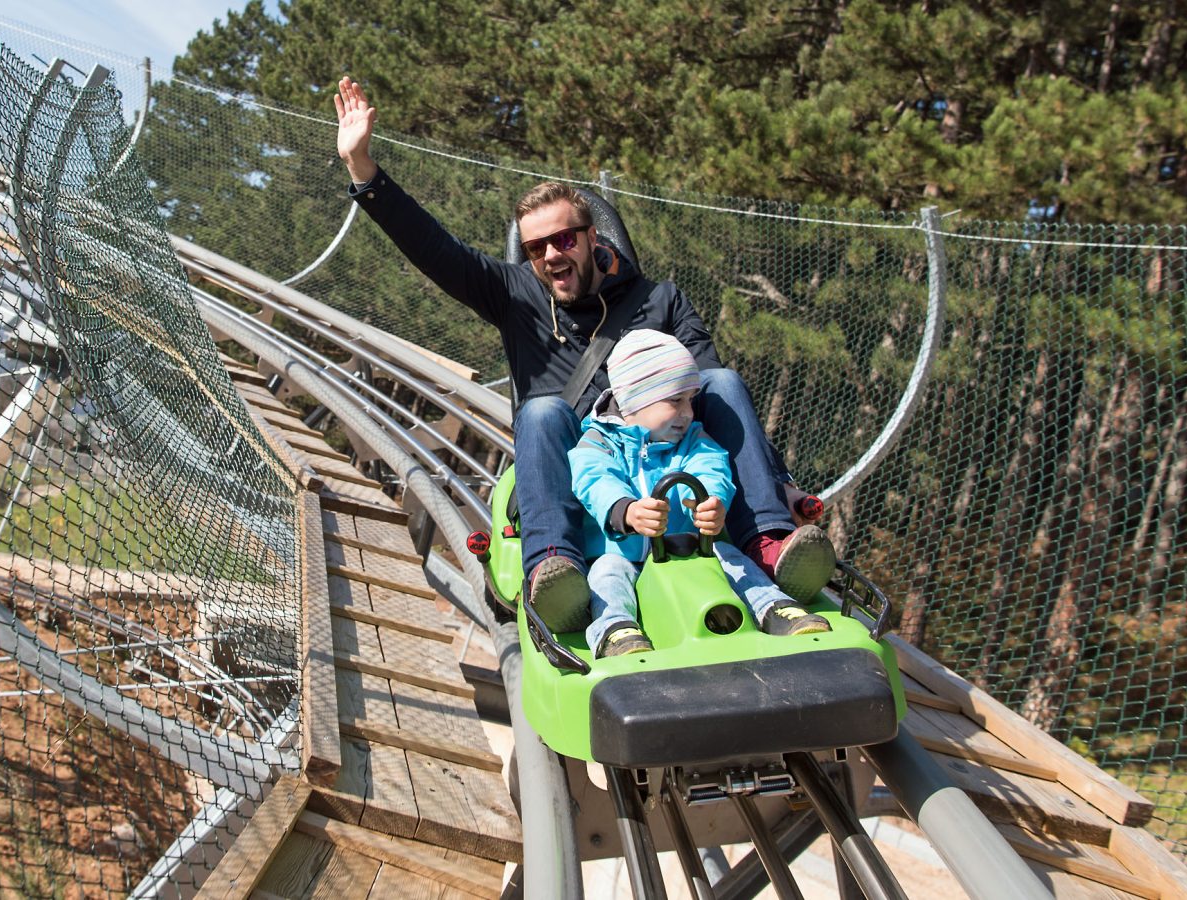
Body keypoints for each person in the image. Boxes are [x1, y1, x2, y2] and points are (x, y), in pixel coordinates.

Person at [334, 77, 834, 632]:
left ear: (593, 238)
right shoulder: (516, 294)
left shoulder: (659, 300)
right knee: (543, 410)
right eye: (536, 247)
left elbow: (712, 400)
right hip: (582, 462)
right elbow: (435, 250)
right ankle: (556, 567)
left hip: (673, 461)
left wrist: (781, 478)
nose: (552, 254)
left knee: (721, 379)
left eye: (565, 239)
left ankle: (767, 541)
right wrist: (363, 170)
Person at [570, 330, 830, 657]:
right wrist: (626, 510)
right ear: (636, 399)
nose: (688, 413)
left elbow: (711, 463)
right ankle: (615, 628)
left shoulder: (692, 439)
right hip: (624, 552)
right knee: (607, 575)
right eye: (675, 401)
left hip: (689, 549)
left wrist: (708, 499)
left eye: (690, 400)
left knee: (730, 558)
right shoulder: (600, 440)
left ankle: (774, 605)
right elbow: (593, 477)